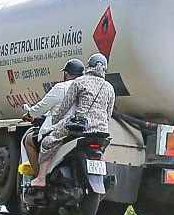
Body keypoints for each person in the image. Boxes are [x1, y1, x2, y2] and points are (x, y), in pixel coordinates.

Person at [31, 58, 115, 187]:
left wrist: (55, 121)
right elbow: (108, 113)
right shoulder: (109, 87)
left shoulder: (79, 82)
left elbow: (65, 106)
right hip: (102, 131)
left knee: (48, 142)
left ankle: (41, 179)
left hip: (81, 127)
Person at [20, 59, 85, 175]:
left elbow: (41, 108)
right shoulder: (86, 88)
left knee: (29, 140)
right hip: (84, 130)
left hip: (60, 130)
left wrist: (30, 114)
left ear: (66, 73)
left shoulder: (61, 88)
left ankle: (39, 178)